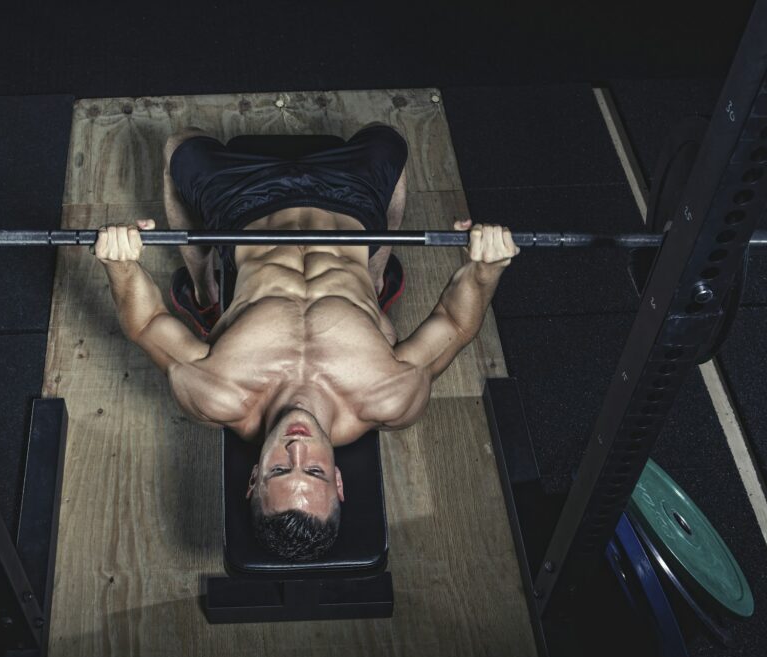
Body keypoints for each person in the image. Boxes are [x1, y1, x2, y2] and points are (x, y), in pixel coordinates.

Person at [94, 125, 518, 560]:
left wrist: (120, 265)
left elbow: (146, 324)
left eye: (280, 468)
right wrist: (487, 268)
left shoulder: (216, 392)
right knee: (389, 138)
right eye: (313, 469)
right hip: (350, 204)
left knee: (178, 145)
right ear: (336, 479)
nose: (297, 446)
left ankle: (205, 293)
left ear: (255, 476)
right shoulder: (390, 396)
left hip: (246, 205)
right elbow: (454, 323)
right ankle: (370, 281)